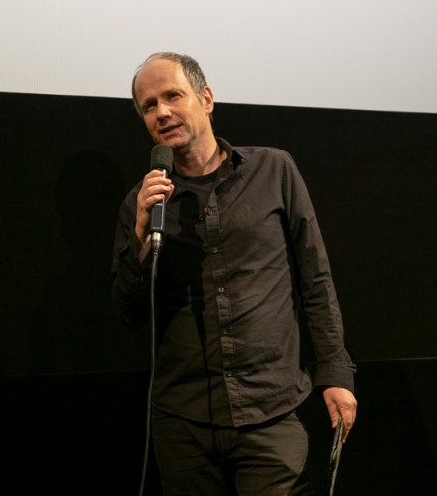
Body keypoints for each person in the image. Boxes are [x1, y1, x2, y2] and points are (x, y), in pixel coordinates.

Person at [111, 52, 357, 495]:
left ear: (205, 98)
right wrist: (143, 237)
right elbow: (128, 313)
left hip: (272, 411)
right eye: (149, 105)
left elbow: (315, 279)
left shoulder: (274, 170)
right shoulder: (141, 204)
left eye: (173, 96)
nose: (162, 111)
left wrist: (335, 373)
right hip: (183, 421)